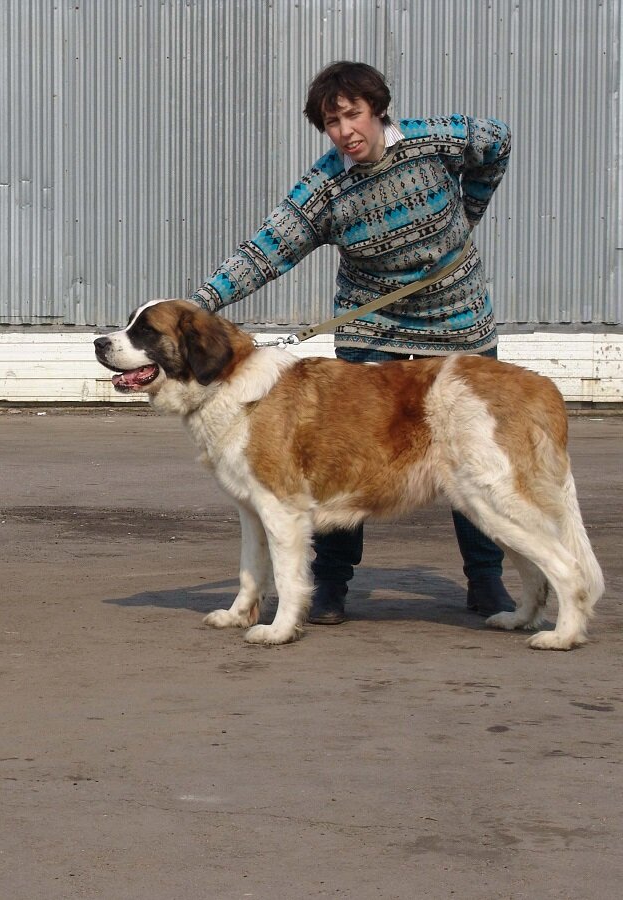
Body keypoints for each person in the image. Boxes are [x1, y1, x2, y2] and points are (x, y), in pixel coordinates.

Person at [191, 60, 515, 626]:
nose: (346, 131)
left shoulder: (431, 142)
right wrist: (200, 304)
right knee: (341, 455)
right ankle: (332, 586)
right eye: (331, 122)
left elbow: (497, 141)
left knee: (472, 460)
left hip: (460, 324)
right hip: (373, 333)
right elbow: (266, 249)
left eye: (353, 114)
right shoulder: (326, 186)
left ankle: (486, 581)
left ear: (376, 109)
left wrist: (466, 215)